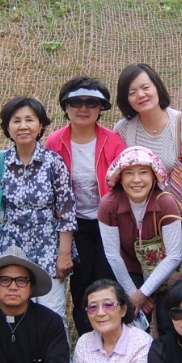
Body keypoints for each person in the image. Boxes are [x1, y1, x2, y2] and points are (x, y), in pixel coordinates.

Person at [0, 96, 75, 321]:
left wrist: (64, 254)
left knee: (52, 314)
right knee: (12, 311)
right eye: (16, 121)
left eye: (30, 120)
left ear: (41, 125)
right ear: (8, 127)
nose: (23, 126)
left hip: (48, 248)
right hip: (11, 247)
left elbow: (66, 212)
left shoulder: (54, 162)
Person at [45, 76, 127, 334]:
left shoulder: (113, 141)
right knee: (80, 285)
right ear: (65, 106)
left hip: (107, 223)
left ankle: (111, 337)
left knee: (107, 282)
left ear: (101, 107)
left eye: (91, 103)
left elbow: (123, 184)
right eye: (76, 102)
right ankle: (86, 342)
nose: (83, 108)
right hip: (72, 225)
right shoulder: (54, 142)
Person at [98, 146, 182, 334]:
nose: (136, 180)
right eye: (129, 173)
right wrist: (134, 295)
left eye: (143, 172)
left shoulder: (166, 203)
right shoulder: (108, 205)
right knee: (133, 320)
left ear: (154, 176)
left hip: (165, 270)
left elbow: (174, 255)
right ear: (120, 177)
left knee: (168, 320)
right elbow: (113, 255)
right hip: (130, 270)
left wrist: (143, 293)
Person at [113, 63, 182, 211]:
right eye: (132, 92)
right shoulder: (123, 129)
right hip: (139, 214)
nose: (141, 95)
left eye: (145, 87)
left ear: (157, 87)